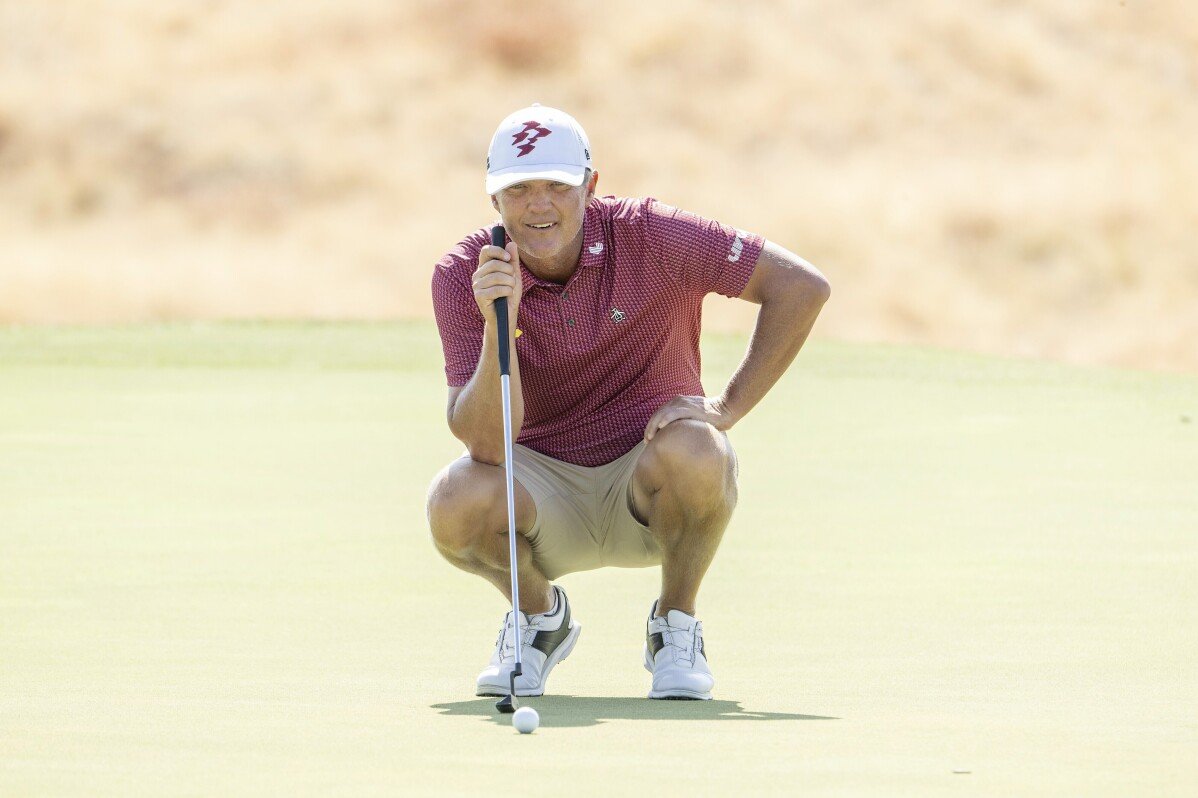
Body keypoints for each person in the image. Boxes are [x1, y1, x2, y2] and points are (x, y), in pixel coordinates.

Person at [427, 104, 830, 700]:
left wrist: (727, 408)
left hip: (648, 479)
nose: (539, 206)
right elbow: (488, 444)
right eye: (518, 190)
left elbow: (801, 287)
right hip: (543, 492)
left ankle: (675, 624)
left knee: (701, 449)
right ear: (494, 201)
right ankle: (540, 620)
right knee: (456, 498)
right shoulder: (466, 274)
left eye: (558, 187)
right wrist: (497, 323)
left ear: (591, 185)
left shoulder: (654, 236)